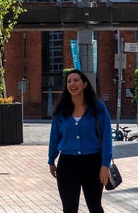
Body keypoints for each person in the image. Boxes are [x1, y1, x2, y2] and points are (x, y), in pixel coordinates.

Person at [48, 69, 113, 213]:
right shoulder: (61, 110)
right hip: (67, 164)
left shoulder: (98, 108)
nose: (72, 84)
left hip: (93, 163)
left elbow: (107, 138)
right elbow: (54, 137)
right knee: (69, 208)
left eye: (76, 80)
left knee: (95, 206)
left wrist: (105, 165)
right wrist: (51, 160)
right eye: (69, 81)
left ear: (84, 84)